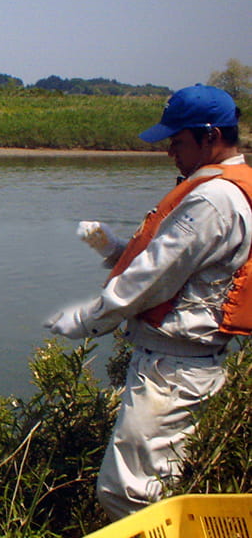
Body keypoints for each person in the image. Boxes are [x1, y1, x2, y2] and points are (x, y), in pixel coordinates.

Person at [44, 84, 251, 521]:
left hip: (173, 370)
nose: (170, 152)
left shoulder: (213, 199)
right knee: (159, 484)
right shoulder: (231, 189)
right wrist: (112, 248)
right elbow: (183, 271)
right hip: (188, 365)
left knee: (129, 496)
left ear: (210, 136)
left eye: (177, 141)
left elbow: (151, 280)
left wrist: (84, 320)